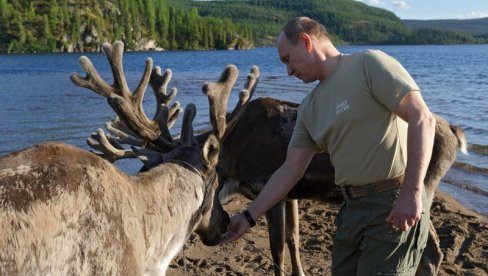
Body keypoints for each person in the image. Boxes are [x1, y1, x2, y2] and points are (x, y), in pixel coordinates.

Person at [221, 16, 436, 275]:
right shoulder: (310, 107)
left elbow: (422, 118)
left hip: (391, 202)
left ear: (305, 41)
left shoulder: (369, 64)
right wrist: (248, 217)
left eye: (288, 59)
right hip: (350, 210)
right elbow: (290, 170)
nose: (288, 71)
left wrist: (412, 192)